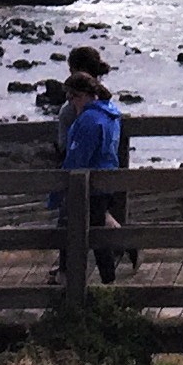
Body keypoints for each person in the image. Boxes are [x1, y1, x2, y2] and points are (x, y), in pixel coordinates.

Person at [55, 71, 129, 283]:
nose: (70, 104)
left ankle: (85, 280)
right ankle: (126, 252)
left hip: (87, 184)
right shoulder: (110, 113)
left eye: (71, 97)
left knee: (79, 230)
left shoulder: (89, 120)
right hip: (106, 179)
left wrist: (60, 189)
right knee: (99, 225)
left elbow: (78, 157)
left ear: (83, 95)